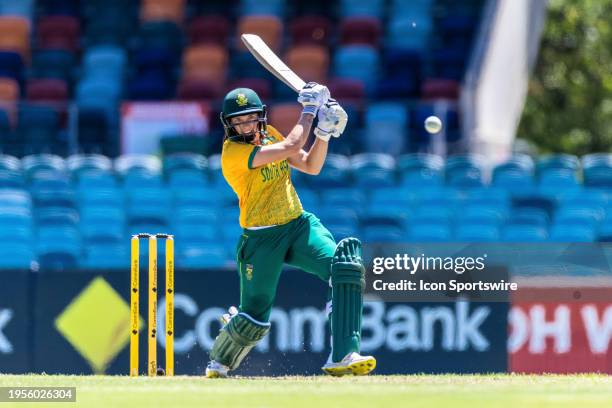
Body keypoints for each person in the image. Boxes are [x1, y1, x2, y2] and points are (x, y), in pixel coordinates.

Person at [205, 83, 375, 378]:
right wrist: (309, 110)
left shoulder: (270, 133)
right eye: (238, 120)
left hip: (297, 225)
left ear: (260, 116)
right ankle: (220, 357)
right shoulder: (233, 153)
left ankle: (345, 355)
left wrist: (324, 131)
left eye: (249, 117)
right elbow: (292, 147)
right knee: (253, 321)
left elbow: (310, 165)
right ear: (228, 124)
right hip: (261, 237)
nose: (245, 125)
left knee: (344, 267)